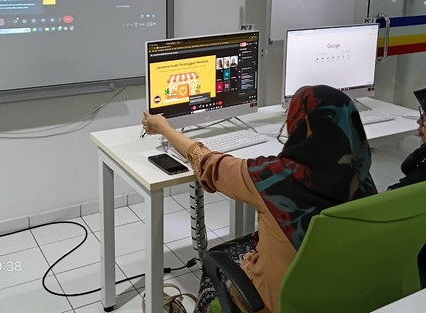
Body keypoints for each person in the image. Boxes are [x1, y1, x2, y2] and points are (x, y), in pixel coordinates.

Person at [142, 84, 377, 313]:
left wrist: (164, 128)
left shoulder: (272, 179)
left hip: (279, 303)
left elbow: (207, 162)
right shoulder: (361, 176)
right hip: (343, 294)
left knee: (217, 258)